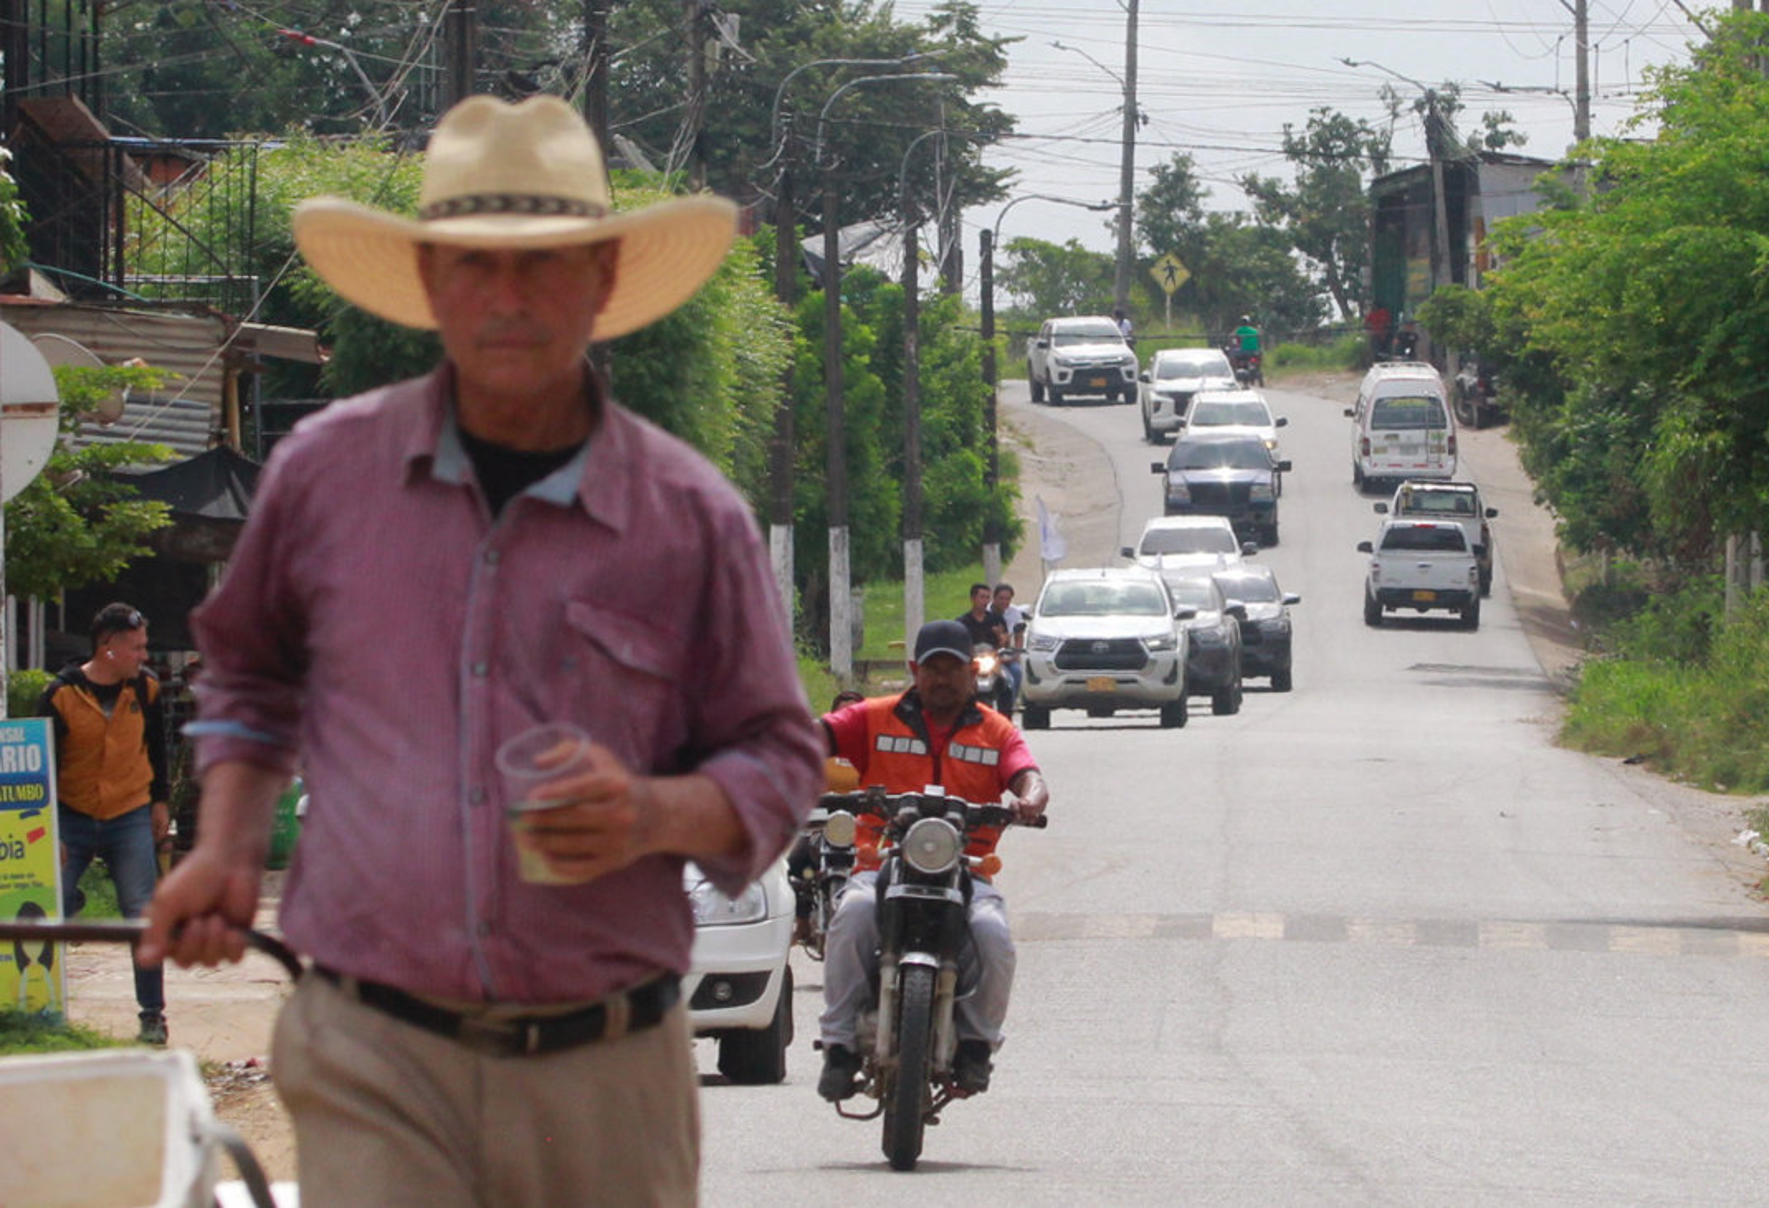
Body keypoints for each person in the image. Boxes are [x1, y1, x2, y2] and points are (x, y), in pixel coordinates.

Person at [138, 94, 821, 1208]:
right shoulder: (323, 475)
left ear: (602, 280)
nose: (507, 298)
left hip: (609, 1073)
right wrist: (224, 844)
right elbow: (251, 673)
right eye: (472, 265)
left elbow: (780, 757)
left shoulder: (689, 516)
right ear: (427, 284)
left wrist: (649, 813)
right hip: (375, 1050)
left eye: (544, 265)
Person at [814, 620, 1048, 1101]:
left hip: (968, 870)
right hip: (879, 862)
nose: (943, 679)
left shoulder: (996, 730)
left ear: (971, 673)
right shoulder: (873, 717)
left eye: (953, 669)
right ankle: (838, 1046)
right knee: (853, 915)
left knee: (994, 936)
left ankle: (978, 1045)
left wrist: (1031, 798)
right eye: (933, 669)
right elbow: (817, 736)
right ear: (914, 670)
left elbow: (1028, 775)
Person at [41, 602, 171, 1045]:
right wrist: (51, 828)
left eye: (144, 647)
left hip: (130, 813)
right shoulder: (59, 695)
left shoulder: (147, 690)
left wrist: (161, 802)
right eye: (135, 647)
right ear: (108, 646)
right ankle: (35, 1014)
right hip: (72, 816)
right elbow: (46, 765)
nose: (143, 655)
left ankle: (152, 1015)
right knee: (46, 903)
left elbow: (158, 749)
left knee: (140, 913)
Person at [990, 582, 1028, 705]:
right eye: (1001, 598)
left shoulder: (1014, 613)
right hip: (987, 655)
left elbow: (1018, 635)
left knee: (1016, 672)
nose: (1004, 602)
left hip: (1004, 654)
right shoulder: (985, 614)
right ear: (994, 598)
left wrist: (1016, 655)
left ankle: (1010, 704)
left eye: (1008, 599)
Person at [956, 582, 1007, 651]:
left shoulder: (997, 619)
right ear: (973, 599)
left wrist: (1001, 637)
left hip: (994, 657)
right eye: (982, 597)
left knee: (1015, 662)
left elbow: (1006, 644)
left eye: (988, 598)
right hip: (971, 657)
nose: (985, 601)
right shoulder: (962, 622)